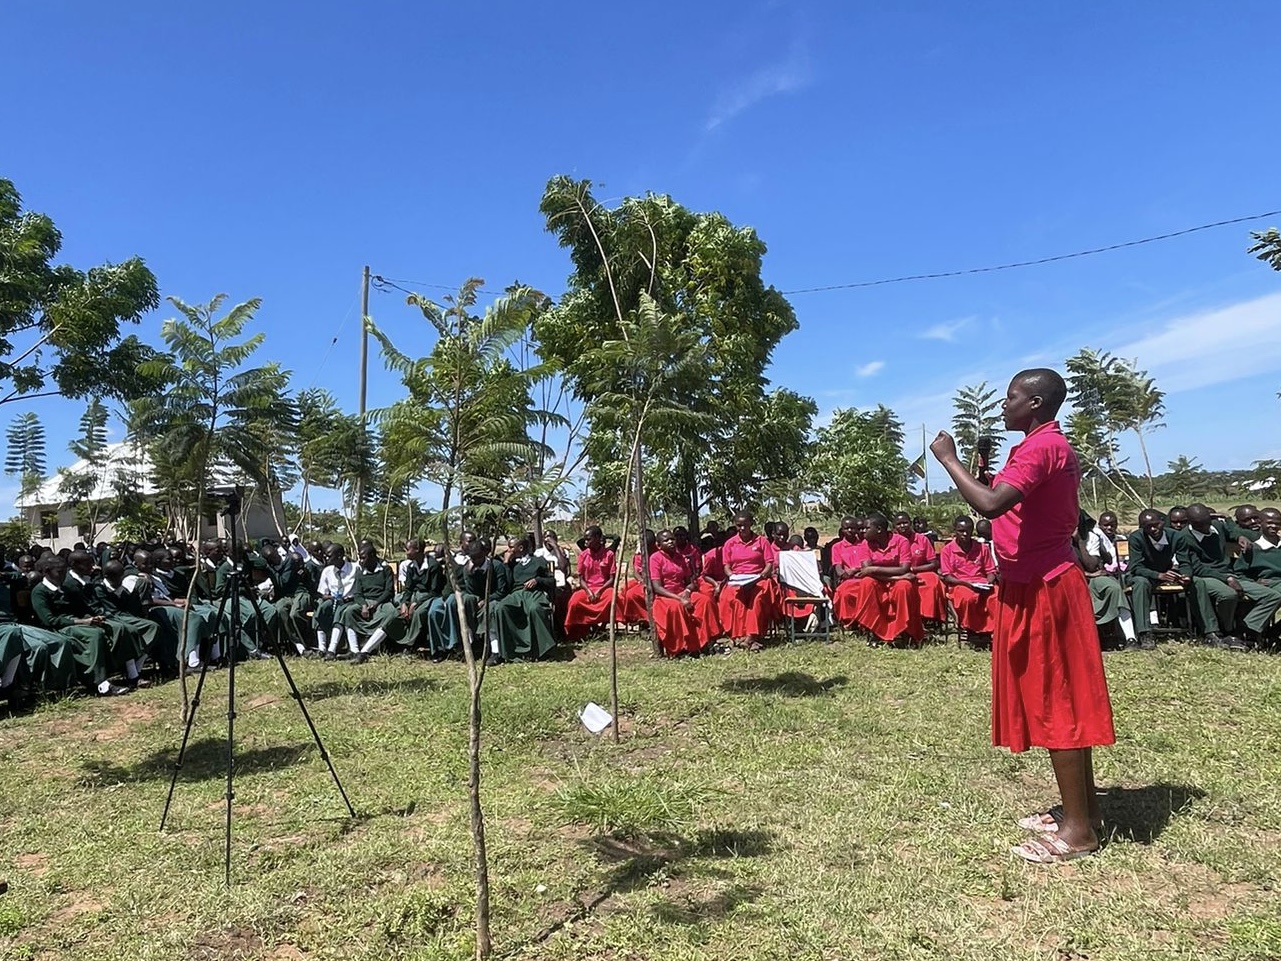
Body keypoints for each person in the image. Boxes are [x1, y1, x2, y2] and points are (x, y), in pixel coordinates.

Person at [931, 367, 1114, 863]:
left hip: (1046, 588)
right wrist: (984, 466)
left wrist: (947, 461)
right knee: (1052, 697)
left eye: (1010, 397)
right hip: (1029, 583)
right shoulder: (1039, 446)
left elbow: (990, 506)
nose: (1003, 406)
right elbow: (1012, 505)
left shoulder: (1042, 448)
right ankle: (1086, 811)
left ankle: (1078, 832)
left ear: (1034, 403)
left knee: (1058, 700)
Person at [1176, 503, 1281, 649]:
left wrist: (1240, 537)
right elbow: (1196, 567)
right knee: (1228, 595)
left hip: (1229, 574)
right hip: (1206, 576)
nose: (1206, 528)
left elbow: (1232, 531)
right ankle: (1227, 631)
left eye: (1208, 522)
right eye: (1200, 525)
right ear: (1190, 522)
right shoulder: (1183, 538)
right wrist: (1227, 578)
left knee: (1272, 596)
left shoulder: (1217, 527)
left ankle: (1245, 630)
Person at [31, 555, 129, 696]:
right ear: (46, 571)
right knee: (95, 634)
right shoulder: (39, 592)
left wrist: (92, 618)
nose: (63, 575)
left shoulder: (66, 589)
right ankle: (100, 682)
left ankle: (120, 670)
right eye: (59, 572)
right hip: (59, 628)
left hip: (77, 623)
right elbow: (49, 620)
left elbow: (81, 609)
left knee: (112, 627)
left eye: (65, 571)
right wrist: (82, 622)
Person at [833, 513, 923, 645]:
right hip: (882, 580)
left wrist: (874, 569)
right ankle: (874, 630)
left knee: (904, 587)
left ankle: (904, 631)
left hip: (898, 581)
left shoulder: (901, 542)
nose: (862, 531)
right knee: (867, 583)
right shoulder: (865, 544)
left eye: (866, 528)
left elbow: (903, 568)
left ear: (879, 529)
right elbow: (866, 572)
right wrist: (897, 576)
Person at [1126, 509, 1199, 648]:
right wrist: (1158, 575)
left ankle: (1200, 630)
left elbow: (1184, 561)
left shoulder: (1176, 537)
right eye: (1147, 527)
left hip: (1166, 574)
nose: (1153, 529)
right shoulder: (1136, 538)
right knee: (1141, 584)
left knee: (1197, 582)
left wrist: (1186, 575)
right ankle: (1145, 633)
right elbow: (1136, 567)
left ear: (1162, 522)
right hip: (1142, 575)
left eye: (1156, 524)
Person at [489, 535, 557, 665]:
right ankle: (509, 651)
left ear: (520, 548)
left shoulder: (538, 561)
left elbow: (551, 581)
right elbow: (507, 585)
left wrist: (537, 580)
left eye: (511, 547)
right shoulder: (511, 563)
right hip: (516, 593)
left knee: (534, 609)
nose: (508, 550)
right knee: (501, 608)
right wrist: (506, 564)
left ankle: (542, 650)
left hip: (534, 592)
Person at [1077, 512, 1139, 650]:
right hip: (1070, 578)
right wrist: (1087, 574)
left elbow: (1092, 565)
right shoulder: (1054, 537)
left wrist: (1080, 542)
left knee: (1114, 588)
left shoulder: (1091, 537)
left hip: (1092, 576)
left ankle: (1130, 638)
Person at [717, 512, 775, 651]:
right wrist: (731, 576)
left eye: (745, 525)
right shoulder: (730, 544)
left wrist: (761, 575)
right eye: (739, 525)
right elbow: (726, 566)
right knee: (732, 598)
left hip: (759, 578)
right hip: (737, 579)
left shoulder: (762, 541)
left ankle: (751, 636)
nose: (742, 528)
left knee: (757, 600)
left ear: (751, 524)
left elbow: (769, 563)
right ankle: (738, 635)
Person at [646, 529, 709, 656]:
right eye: (666, 540)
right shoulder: (655, 558)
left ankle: (703, 643)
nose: (671, 542)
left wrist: (687, 591)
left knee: (704, 601)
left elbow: (690, 582)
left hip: (682, 592)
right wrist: (679, 598)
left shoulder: (680, 557)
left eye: (672, 539)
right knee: (676, 608)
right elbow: (657, 587)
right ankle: (681, 647)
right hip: (665, 596)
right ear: (659, 545)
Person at [341, 541, 405, 664]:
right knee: (348, 612)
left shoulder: (385, 570)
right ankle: (354, 650)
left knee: (391, 615)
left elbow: (388, 591)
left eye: (363, 558)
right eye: (360, 558)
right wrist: (364, 605)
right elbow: (358, 593)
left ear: (372, 556)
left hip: (382, 601)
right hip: (365, 602)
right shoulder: (360, 572)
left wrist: (376, 603)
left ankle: (365, 652)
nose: (361, 561)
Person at [938, 516, 998, 644]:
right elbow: (947, 576)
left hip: (981, 582)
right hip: (959, 584)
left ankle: (992, 630)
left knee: (996, 596)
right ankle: (972, 630)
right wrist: (968, 584)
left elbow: (991, 570)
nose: (965, 534)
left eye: (968, 530)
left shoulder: (982, 548)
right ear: (955, 531)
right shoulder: (947, 550)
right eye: (961, 531)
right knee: (969, 598)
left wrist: (989, 582)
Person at [563, 526, 619, 641]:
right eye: (585, 539)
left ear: (598, 538)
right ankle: (583, 628)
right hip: (587, 587)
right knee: (574, 601)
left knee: (612, 598)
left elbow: (611, 579)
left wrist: (600, 591)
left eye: (589, 539)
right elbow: (581, 578)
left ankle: (602, 627)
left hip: (604, 587)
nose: (586, 542)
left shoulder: (609, 555)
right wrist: (588, 591)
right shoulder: (583, 555)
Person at [895, 511, 945, 623]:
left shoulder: (922, 539)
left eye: (905, 522)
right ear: (895, 526)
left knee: (932, 582)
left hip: (920, 571)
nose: (902, 526)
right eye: (899, 524)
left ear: (910, 523)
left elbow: (934, 563)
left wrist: (913, 569)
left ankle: (927, 618)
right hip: (899, 574)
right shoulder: (892, 541)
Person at [397, 538, 444, 652]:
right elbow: (408, 589)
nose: (406, 552)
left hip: (430, 597)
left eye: (408, 549)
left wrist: (416, 604)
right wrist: (404, 603)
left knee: (418, 613)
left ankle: (410, 644)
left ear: (417, 550)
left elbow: (434, 591)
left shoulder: (433, 566)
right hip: (415, 595)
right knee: (398, 608)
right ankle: (397, 640)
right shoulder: (411, 567)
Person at [315, 543, 358, 657]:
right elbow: (323, 594)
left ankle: (332, 649)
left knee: (342, 611)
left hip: (350, 601)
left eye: (329, 556)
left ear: (339, 555)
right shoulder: (327, 571)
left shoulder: (354, 569)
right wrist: (331, 597)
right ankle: (321, 648)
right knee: (321, 609)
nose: (326, 558)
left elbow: (360, 590)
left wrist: (349, 598)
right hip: (333, 600)